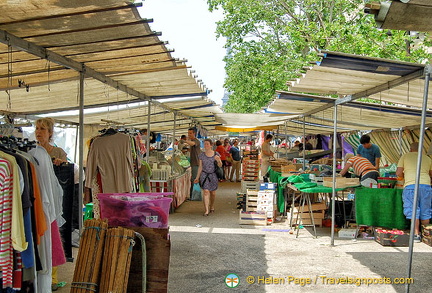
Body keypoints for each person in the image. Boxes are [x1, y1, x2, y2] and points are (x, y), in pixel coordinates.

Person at [35, 117, 67, 291]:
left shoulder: (58, 152)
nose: (39, 132)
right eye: (37, 129)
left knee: (53, 235)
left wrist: (62, 163)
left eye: (43, 129)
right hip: (38, 198)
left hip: (54, 199)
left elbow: (68, 170)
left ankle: (52, 278)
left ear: (50, 133)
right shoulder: (32, 152)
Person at [396, 142, 432, 241]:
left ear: (410, 149)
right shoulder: (427, 158)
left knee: (413, 210)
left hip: (411, 185)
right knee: (425, 210)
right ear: (422, 149)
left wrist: (404, 177)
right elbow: (431, 174)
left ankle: (416, 234)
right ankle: (427, 235)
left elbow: (398, 173)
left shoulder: (405, 156)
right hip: (426, 185)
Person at [194, 139, 222, 216]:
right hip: (204, 175)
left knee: (213, 193)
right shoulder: (201, 155)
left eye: (207, 144)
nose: (205, 145)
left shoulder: (216, 154)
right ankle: (206, 210)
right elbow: (200, 167)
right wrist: (197, 177)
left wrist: (219, 160)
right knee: (206, 191)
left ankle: (212, 205)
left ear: (211, 145)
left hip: (213, 175)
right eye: (204, 144)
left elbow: (220, 166)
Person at [186, 127, 201, 199]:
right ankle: (193, 195)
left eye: (190, 133)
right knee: (193, 179)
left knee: (194, 179)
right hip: (193, 163)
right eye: (188, 133)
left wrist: (185, 141)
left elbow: (192, 144)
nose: (189, 134)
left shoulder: (196, 141)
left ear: (194, 133)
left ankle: (194, 196)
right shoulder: (191, 141)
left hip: (196, 163)